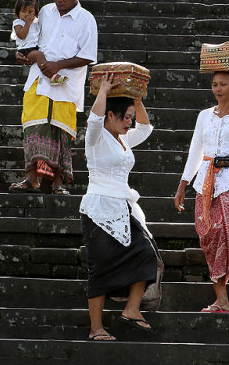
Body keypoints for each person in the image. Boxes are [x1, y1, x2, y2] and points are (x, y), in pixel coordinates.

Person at [174, 70, 229, 313]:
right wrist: (183, 184)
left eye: (223, 84)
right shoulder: (204, 116)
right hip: (205, 179)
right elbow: (195, 151)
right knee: (208, 234)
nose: (218, 89)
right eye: (214, 84)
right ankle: (223, 295)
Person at [80, 73, 161, 341]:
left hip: (124, 208)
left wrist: (137, 98)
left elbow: (146, 128)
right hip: (98, 210)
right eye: (125, 117)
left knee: (147, 255)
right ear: (110, 117)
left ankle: (132, 309)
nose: (130, 121)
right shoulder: (96, 138)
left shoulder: (124, 139)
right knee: (100, 268)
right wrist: (103, 90)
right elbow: (93, 120)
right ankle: (96, 328)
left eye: (130, 117)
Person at [10, 0, 98, 195]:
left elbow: (88, 55)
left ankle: (58, 183)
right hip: (38, 79)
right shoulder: (45, 12)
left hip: (66, 84)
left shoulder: (86, 20)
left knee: (61, 131)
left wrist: (58, 65)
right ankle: (32, 179)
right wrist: (23, 55)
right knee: (32, 126)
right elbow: (29, 40)